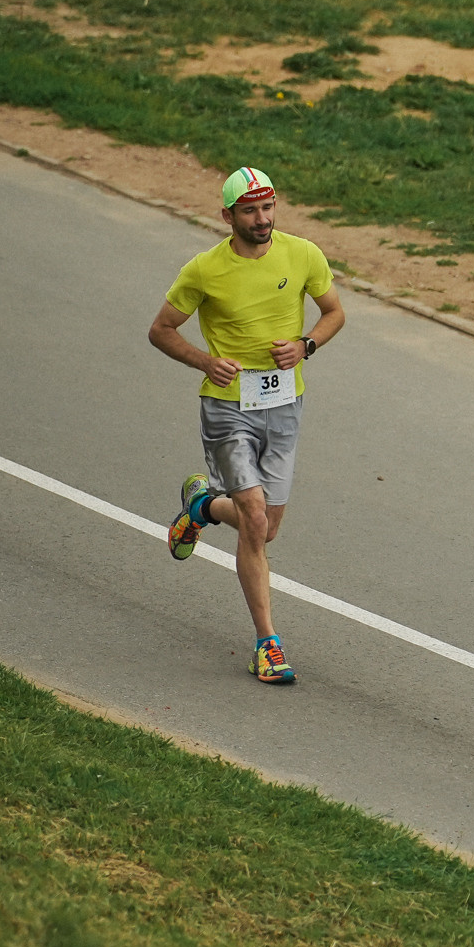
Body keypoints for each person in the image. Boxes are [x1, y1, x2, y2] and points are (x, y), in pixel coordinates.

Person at [149, 166, 345, 684]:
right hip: (227, 408)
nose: (262, 219)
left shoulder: (303, 254)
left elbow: (333, 312)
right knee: (254, 519)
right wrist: (203, 361)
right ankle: (267, 643)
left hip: (284, 408)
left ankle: (201, 507)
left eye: (268, 207)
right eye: (250, 210)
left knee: (267, 528)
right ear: (228, 215)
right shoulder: (205, 270)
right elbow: (162, 330)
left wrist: (306, 345)